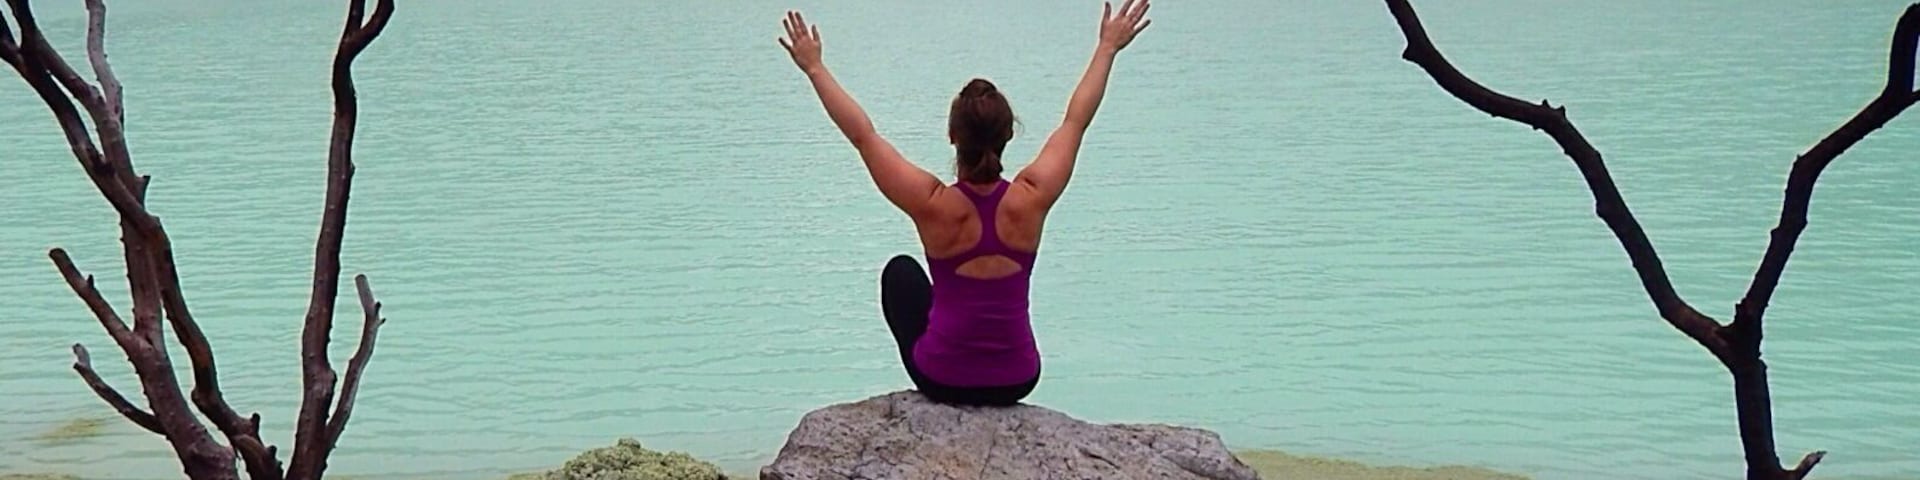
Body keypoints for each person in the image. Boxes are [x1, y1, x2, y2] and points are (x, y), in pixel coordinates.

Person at [776, 1, 1153, 406]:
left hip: (944, 380)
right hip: (1018, 377)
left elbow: (863, 136)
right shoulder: (1033, 196)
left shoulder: (932, 204)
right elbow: (1076, 121)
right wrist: (1107, 48)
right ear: (1009, 134)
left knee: (901, 275)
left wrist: (814, 68)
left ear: (952, 136)